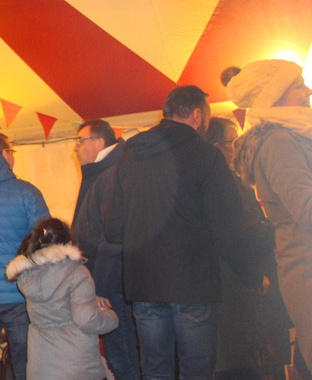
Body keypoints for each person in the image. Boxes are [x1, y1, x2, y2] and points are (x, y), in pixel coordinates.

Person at [102, 85, 262, 379]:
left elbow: (113, 226)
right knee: (196, 371)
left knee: (155, 369)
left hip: (144, 284)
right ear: (198, 116)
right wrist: (252, 273)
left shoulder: (130, 154)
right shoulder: (207, 157)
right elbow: (229, 227)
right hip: (194, 284)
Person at [227, 60, 312, 376]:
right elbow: (306, 206)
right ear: (274, 96)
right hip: (307, 262)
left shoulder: (293, 136)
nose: (308, 92)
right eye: (298, 86)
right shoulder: (278, 142)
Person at [205, 116, 285, 380]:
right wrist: (276, 227)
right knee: (244, 358)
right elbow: (243, 232)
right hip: (238, 281)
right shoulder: (224, 183)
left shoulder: (228, 179)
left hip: (238, 278)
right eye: (233, 141)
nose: (238, 146)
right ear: (218, 146)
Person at [0, 132, 50, 380]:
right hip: (20, 292)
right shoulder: (27, 192)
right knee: (26, 360)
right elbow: (45, 242)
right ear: (5, 154)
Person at [6, 218, 118, 379]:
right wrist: (111, 317)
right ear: (69, 243)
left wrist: (91, 299)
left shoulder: (27, 276)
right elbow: (86, 319)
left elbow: (56, 305)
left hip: (41, 367)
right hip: (77, 367)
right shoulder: (77, 273)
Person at [70, 119, 139, 380]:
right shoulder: (101, 173)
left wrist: (99, 287)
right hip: (112, 282)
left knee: (121, 355)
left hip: (113, 287)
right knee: (119, 354)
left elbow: (112, 238)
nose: (75, 149)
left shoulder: (110, 175)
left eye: (80, 142)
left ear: (99, 143)